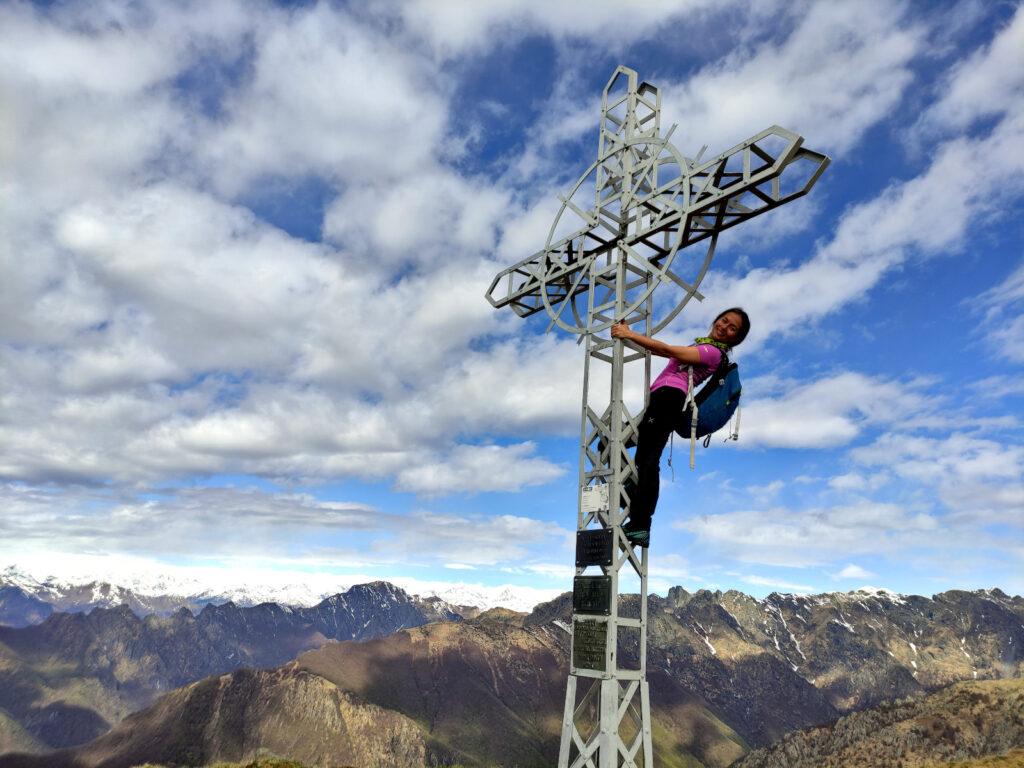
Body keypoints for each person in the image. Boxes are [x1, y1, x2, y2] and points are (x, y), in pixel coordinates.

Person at [610, 308, 751, 547]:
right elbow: (658, 350)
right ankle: (631, 493)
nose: (724, 326)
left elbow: (667, 350)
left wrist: (629, 334)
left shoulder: (711, 351)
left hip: (668, 399)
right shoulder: (706, 346)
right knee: (617, 442)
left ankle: (641, 525)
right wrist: (628, 333)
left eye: (732, 328)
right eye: (724, 320)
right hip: (663, 399)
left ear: (735, 338)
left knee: (648, 460)